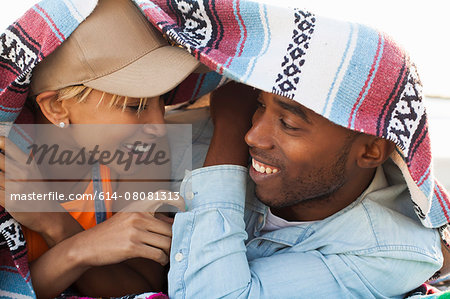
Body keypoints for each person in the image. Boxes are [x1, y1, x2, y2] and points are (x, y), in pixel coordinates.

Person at [148, 1, 450, 297]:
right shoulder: (188, 136)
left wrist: (228, 129)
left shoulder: (391, 252)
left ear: (371, 151)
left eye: (289, 123)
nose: (253, 136)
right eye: (259, 106)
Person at [0, 0, 204, 298]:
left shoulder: (143, 153)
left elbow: (142, 288)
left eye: (162, 99)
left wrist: (56, 224)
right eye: (135, 106)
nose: (159, 126)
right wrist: (85, 246)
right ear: (57, 107)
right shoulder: (8, 167)